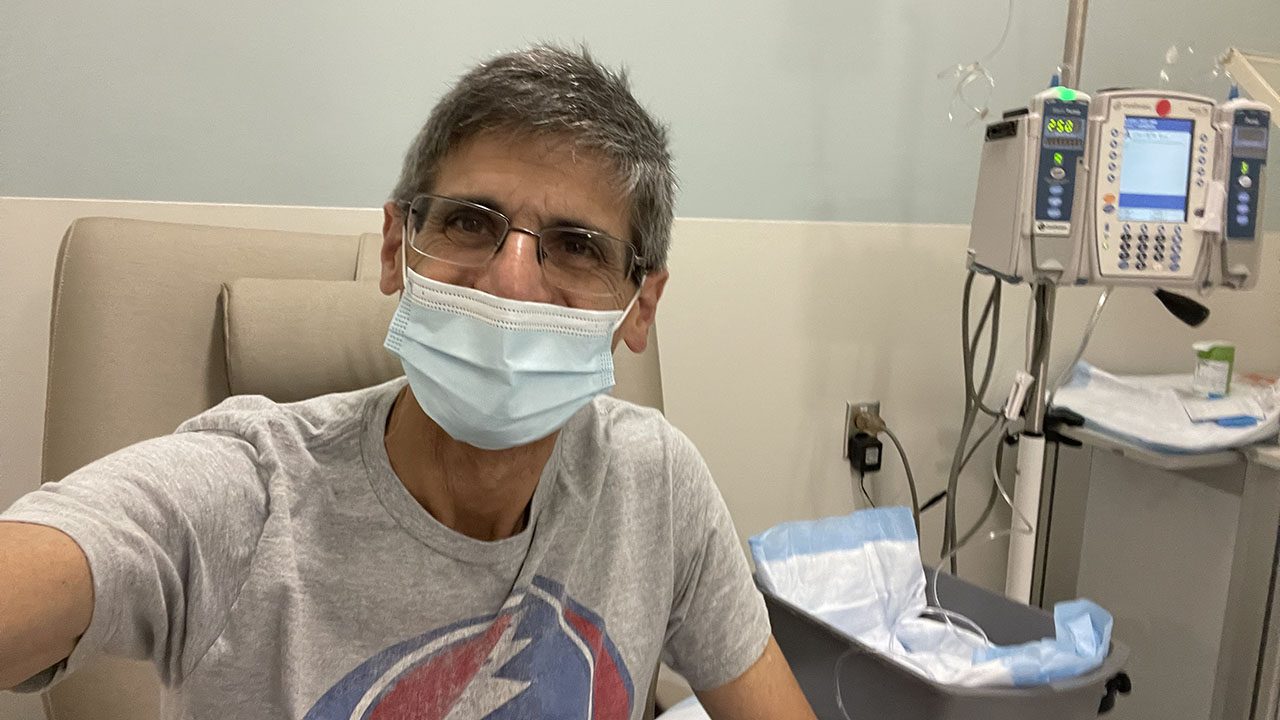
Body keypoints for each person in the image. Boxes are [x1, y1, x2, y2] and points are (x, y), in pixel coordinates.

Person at [0, 45, 816, 719]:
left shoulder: (657, 485)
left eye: (575, 245)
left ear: (641, 308)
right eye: (470, 222)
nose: (510, 282)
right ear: (397, 248)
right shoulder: (250, 492)